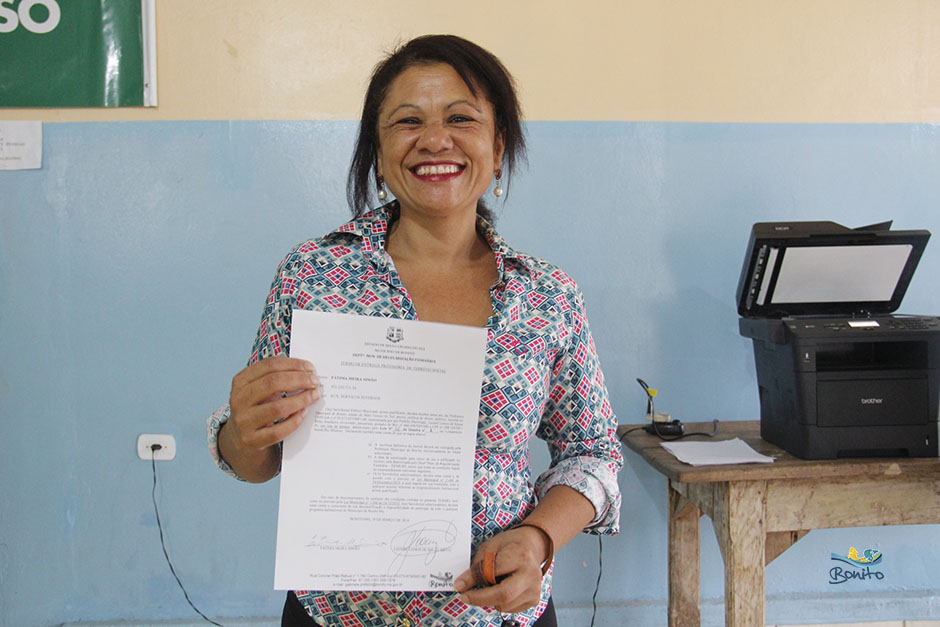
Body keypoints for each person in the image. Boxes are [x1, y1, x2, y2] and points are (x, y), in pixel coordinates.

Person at [207, 34, 623, 627]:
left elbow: (594, 451)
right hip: (338, 615)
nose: (435, 140)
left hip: (493, 616)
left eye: (461, 118)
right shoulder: (314, 275)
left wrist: (538, 539)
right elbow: (258, 458)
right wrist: (243, 431)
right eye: (407, 122)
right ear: (377, 153)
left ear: (498, 146)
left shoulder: (546, 295)